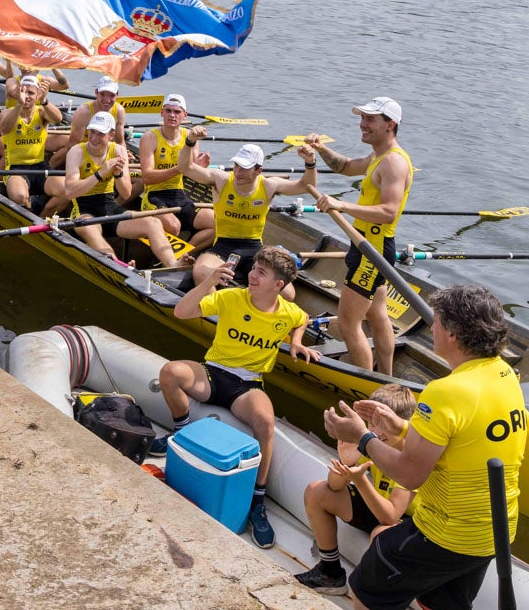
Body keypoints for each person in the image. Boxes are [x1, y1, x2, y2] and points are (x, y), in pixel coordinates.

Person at [322, 285, 526, 610]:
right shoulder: (504, 374)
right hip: (495, 531)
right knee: (438, 603)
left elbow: (409, 474)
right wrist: (404, 427)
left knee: (365, 591)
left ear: (454, 335)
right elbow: (465, 436)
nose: (431, 328)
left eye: (437, 322)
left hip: (445, 533)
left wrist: (363, 437)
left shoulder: (444, 391)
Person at [150, 246, 320, 549]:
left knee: (265, 422)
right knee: (170, 373)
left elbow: (302, 317)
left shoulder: (286, 312)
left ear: (278, 285)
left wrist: (296, 342)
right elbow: (181, 311)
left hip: (248, 384)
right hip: (213, 374)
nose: (252, 275)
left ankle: (257, 500)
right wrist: (207, 282)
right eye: (254, 268)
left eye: (261, 273)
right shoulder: (231, 297)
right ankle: (181, 429)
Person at [306, 97, 413, 376]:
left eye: (370, 120)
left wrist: (342, 205)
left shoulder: (394, 163)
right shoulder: (378, 156)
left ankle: (364, 390)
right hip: (365, 243)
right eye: (362, 118)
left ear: (390, 125)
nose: (362, 125)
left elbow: (389, 211)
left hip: (372, 248)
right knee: (378, 316)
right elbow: (345, 166)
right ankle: (386, 379)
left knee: (348, 322)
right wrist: (320, 149)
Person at [294, 384, 417, 596]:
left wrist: (360, 480)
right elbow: (333, 486)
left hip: (408, 522)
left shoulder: (412, 455)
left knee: (382, 533)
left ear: (399, 424)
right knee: (317, 491)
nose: (376, 432)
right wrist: (347, 463)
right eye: (372, 423)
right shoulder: (371, 440)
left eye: (383, 424)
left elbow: (391, 516)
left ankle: (378, 595)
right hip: (380, 504)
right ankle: (331, 573)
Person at [178, 127, 317, 296]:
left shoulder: (268, 185)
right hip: (223, 245)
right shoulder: (221, 179)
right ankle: (217, 311)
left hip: (254, 247)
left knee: (288, 293)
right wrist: (190, 140)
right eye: (236, 165)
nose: (237, 171)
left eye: (244, 168)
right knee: (200, 273)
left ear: (258, 171)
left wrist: (310, 162)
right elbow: (185, 167)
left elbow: (306, 186)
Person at [63, 110, 180, 268]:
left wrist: (118, 174)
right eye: (92, 132)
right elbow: (70, 192)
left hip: (111, 208)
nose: (94, 138)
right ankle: (119, 266)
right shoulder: (77, 152)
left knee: (153, 223)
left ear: (111, 135)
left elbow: (125, 193)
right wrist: (100, 174)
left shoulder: (118, 150)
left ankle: (173, 265)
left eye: (100, 134)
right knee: (93, 233)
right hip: (84, 211)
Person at [138, 93, 215, 248]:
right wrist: (181, 168)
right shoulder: (149, 137)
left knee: (218, 223)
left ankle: (186, 254)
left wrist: (199, 168)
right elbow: (147, 177)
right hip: (154, 196)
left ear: (184, 116)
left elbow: (192, 172)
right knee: (173, 226)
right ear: (162, 113)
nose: (172, 115)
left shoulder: (189, 136)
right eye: (168, 111)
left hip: (179, 194)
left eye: (177, 112)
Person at [0, 74, 65, 213]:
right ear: (18, 93)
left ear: (37, 96)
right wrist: (19, 105)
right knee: (20, 197)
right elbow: (4, 128)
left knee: (66, 191)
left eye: (31, 93)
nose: (27, 96)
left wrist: (45, 100)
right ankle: (28, 214)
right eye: (23, 92)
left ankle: (43, 219)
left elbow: (58, 118)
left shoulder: (41, 112)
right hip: (16, 168)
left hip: (39, 166)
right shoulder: (7, 113)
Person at [52, 75, 126, 166]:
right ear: (96, 93)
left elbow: (120, 142)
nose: (107, 100)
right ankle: (50, 167)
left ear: (117, 95)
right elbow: (73, 145)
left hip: (104, 147)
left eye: (112, 95)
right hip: (83, 147)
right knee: (62, 154)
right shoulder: (83, 112)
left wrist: (123, 157)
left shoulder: (119, 111)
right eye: (102, 94)